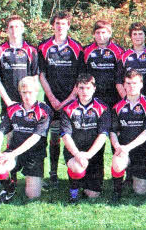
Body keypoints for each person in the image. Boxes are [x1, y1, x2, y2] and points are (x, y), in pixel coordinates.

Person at [38, 11, 83, 188]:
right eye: (57, 23)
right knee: (54, 138)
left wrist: (69, 99)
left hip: (72, 101)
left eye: (63, 23)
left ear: (68, 25)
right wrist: (52, 99)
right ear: (53, 25)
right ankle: (54, 174)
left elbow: (81, 77)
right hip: (51, 101)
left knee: (74, 136)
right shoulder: (43, 46)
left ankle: (77, 172)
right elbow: (41, 75)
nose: (60, 26)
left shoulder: (77, 47)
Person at [0, 76, 52, 204]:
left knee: (32, 196)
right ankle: (9, 187)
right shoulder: (13, 109)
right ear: (20, 93)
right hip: (14, 151)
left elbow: (35, 138)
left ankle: (34, 179)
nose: (27, 96)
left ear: (36, 91)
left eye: (30, 92)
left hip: (35, 155)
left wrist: (12, 154)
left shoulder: (44, 110)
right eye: (24, 92)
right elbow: (1, 130)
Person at [61, 73, 111, 203]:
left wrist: (88, 155)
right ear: (76, 89)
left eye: (88, 88)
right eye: (81, 88)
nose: (84, 91)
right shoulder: (67, 108)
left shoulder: (103, 108)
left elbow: (102, 135)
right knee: (77, 167)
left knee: (93, 195)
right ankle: (74, 191)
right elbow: (66, 136)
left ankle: (84, 181)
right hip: (74, 153)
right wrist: (77, 154)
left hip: (93, 154)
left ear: (94, 88)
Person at [109, 70, 146, 202]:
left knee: (140, 191)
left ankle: (135, 176)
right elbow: (112, 131)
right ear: (124, 85)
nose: (131, 87)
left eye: (135, 83)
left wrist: (128, 147)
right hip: (122, 150)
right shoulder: (117, 107)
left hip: (142, 153)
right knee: (117, 163)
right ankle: (117, 191)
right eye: (128, 83)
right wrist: (118, 146)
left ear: (141, 84)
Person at [0, 15, 39, 116]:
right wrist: (8, 102)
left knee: (27, 131)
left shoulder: (31, 50)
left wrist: (30, 100)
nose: (14, 30)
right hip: (8, 102)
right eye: (11, 27)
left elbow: (35, 78)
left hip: (27, 102)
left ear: (22, 29)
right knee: (9, 132)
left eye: (17, 27)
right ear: (6, 30)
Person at [83, 20, 124, 108]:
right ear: (93, 34)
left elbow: (121, 74)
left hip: (113, 94)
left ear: (110, 34)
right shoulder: (87, 50)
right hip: (92, 94)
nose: (100, 36)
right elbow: (83, 73)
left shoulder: (118, 50)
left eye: (103, 32)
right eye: (97, 33)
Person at [117, 22, 146, 101]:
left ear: (145, 35)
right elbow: (118, 82)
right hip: (129, 101)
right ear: (131, 36)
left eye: (140, 34)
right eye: (135, 34)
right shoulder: (123, 56)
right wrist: (126, 99)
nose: (137, 37)